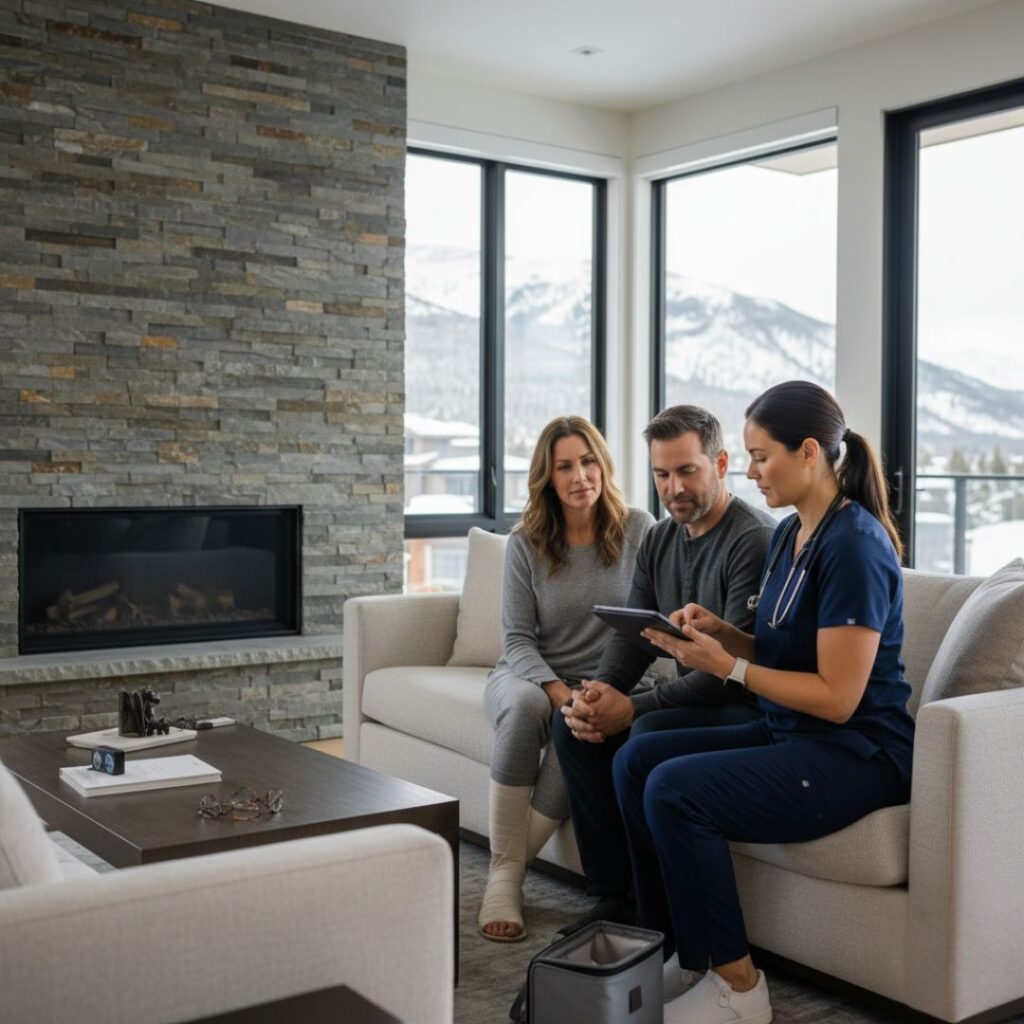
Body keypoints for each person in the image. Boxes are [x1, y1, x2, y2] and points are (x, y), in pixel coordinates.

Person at [614, 380, 915, 1024]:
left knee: (673, 789)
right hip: (793, 733)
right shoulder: (791, 535)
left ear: (809, 452)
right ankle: (685, 953)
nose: (748, 472)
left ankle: (740, 990)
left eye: (759, 456)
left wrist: (731, 667)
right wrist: (727, 634)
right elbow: (787, 646)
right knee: (636, 762)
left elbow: (838, 697)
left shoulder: (854, 547)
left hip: (856, 755)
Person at [552, 406, 775, 927]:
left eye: (686, 471)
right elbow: (634, 637)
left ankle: (654, 908)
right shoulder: (660, 537)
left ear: (720, 464)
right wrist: (600, 692)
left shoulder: (754, 540)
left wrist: (631, 708)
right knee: (572, 726)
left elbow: (729, 669)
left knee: (641, 730)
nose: (673, 488)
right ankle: (614, 894)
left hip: (745, 707)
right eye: (661, 474)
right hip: (696, 698)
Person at [479, 415, 655, 942]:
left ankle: (505, 867)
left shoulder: (640, 528)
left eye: (588, 461)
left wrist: (596, 694)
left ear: (603, 466)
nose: (580, 475)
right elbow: (515, 639)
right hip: (529, 674)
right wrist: (557, 691)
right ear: (547, 478)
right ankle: (506, 876)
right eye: (565, 466)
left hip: (610, 679)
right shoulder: (525, 543)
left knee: (580, 726)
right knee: (532, 709)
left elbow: (652, 619)